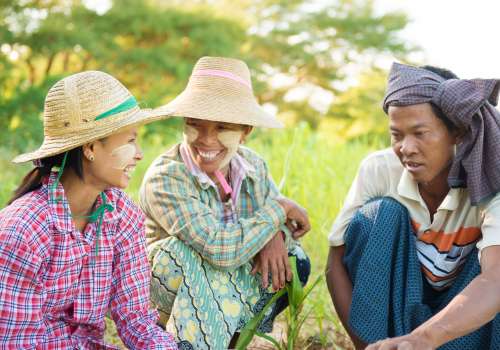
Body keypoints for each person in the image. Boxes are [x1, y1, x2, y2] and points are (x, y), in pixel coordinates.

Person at [139, 56, 311, 350]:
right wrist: (280, 209)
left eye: (222, 127)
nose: (206, 140)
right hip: (163, 293)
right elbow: (218, 248)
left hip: (224, 290)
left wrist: (276, 234)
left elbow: (269, 225)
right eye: (195, 125)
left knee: (294, 259)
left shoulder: (254, 166)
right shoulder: (166, 177)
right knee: (184, 254)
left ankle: (230, 344)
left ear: (245, 132)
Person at [326, 62, 500, 350]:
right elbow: (335, 263)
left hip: (462, 324)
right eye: (397, 135)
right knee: (379, 214)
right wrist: (368, 346)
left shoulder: (491, 178)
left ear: (457, 132)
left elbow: (495, 280)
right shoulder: (380, 170)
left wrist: (424, 338)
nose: (405, 148)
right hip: (394, 318)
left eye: (420, 133)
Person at [0, 71, 178, 349]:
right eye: (131, 140)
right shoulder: (23, 229)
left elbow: (136, 321)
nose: (140, 153)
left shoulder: (122, 214)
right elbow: (16, 341)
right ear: (91, 147)